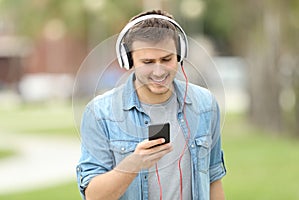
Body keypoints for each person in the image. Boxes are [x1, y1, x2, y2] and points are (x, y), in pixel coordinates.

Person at [76, 10, 226, 200]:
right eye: (147, 62)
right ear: (128, 60)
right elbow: (93, 196)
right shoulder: (99, 113)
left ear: (180, 54)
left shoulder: (206, 105)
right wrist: (134, 163)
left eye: (166, 59)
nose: (158, 71)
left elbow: (214, 180)